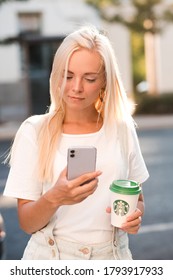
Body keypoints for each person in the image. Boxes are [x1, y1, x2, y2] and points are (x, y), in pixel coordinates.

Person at [3, 25, 149, 260]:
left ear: (104, 81)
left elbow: (138, 199)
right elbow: (27, 223)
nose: (76, 87)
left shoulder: (122, 129)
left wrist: (134, 216)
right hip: (51, 259)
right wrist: (55, 197)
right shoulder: (34, 131)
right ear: (56, 74)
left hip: (113, 258)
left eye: (89, 78)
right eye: (68, 75)